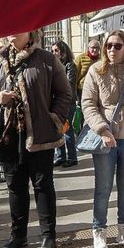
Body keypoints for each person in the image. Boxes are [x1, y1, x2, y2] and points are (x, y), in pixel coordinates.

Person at [0, 31, 74, 248]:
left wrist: (54, 119)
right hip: (7, 135)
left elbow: (65, 93)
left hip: (39, 133)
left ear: (30, 32)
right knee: (15, 187)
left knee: (42, 185)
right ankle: (18, 236)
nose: (10, 32)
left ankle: (48, 236)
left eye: (17, 28)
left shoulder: (46, 59)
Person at [80, 29, 124, 248]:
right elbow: (88, 104)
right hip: (105, 139)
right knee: (103, 188)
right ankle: (99, 231)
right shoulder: (96, 70)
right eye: (108, 46)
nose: (111, 50)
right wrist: (103, 130)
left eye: (117, 46)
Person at [50, 39, 81, 168]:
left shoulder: (70, 65)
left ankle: (72, 157)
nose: (54, 53)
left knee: (67, 130)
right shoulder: (53, 65)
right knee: (58, 129)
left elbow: (69, 84)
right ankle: (60, 156)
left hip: (67, 102)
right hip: (55, 101)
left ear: (63, 51)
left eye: (56, 50)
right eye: (52, 51)